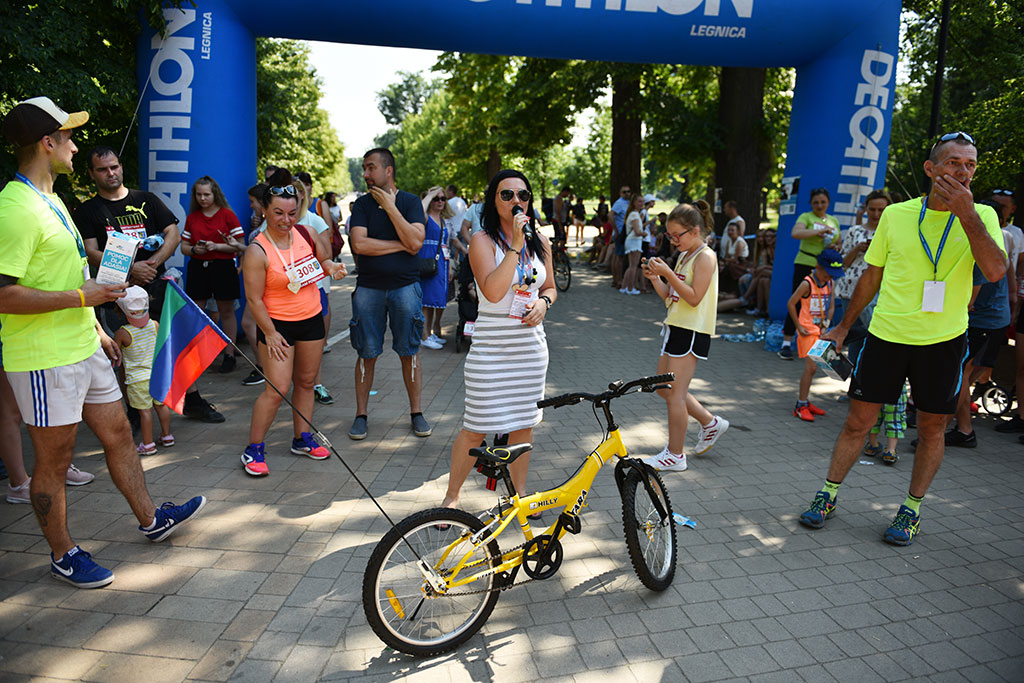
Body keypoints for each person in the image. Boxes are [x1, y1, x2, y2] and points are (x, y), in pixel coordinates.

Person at [0, 96, 205, 587]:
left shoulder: (52, 199)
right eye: (68, 138)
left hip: (83, 345)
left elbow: (68, 273)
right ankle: (63, 554)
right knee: (54, 463)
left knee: (119, 435)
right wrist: (81, 298)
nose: (75, 147)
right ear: (47, 144)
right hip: (45, 358)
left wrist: (94, 327)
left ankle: (152, 519)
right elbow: (4, 294)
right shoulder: (15, 208)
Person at [798, 131, 1006, 546]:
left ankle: (911, 509)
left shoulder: (982, 215)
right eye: (953, 162)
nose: (963, 171)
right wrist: (842, 326)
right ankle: (828, 494)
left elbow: (996, 270)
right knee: (858, 422)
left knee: (931, 428)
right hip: (886, 336)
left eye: (970, 165)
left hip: (944, 342)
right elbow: (872, 274)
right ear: (931, 168)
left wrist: (967, 216)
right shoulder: (896, 214)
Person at [74, 146, 223, 423]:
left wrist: (152, 264)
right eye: (103, 169)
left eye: (114, 166)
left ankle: (192, 399)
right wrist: (132, 269)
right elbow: (90, 251)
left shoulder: (147, 199)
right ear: (92, 174)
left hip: (158, 287)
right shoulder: (87, 210)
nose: (111, 173)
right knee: (127, 351)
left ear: (121, 167)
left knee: (176, 342)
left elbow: (173, 234)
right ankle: (134, 412)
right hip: (117, 293)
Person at [440, 169, 556, 510]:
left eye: (523, 195)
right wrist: (515, 247)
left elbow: (550, 287)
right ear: (494, 201)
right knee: (475, 427)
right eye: (507, 195)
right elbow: (492, 291)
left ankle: (519, 496)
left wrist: (544, 303)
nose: (516, 201)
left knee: (524, 426)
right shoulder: (482, 240)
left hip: (530, 350)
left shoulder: (541, 241)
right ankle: (452, 497)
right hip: (491, 351)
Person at [240, 181, 347, 476]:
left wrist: (332, 268)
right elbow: (254, 299)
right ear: (264, 211)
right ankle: (253, 448)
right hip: (277, 325)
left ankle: (302, 438)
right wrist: (270, 333)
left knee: (307, 382)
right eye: (278, 213)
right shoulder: (257, 250)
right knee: (277, 389)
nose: (286, 220)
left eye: (291, 213)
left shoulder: (306, 232)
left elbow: (323, 260)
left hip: (311, 318)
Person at [639, 200, 729, 473]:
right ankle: (710, 422)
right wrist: (656, 278)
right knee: (662, 387)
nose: (672, 240)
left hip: (691, 330)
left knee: (675, 394)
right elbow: (671, 297)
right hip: (676, 326)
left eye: (676, 235)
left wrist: (667, 272)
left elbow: (694, 297)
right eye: (670, 235)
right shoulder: (685, 255)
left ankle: (675, 454)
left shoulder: (705, 257)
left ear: (694, 231)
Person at [347, 148, 431, 440]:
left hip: (405, 288)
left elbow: (417, 242)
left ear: (388, 170)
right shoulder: (361, 205)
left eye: (371, 167)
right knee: (366, 352)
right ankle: (361, 415)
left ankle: (416, 413)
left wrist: (391, 208)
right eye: (364, 168)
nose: (366, 174)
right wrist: (402, 244)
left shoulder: (409, 202)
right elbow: (359, 245)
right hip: (368, 289)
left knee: (410, 352)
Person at [181, 175, 245, 374]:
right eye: (199, 194)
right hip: (198, 266)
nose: (202, 198)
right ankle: (200, 354)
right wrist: (195, 250)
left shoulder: (227, 215)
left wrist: (217, 246)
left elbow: (240, 246)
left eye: (206, 194)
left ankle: (229, 354)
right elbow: (184, 247)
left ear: (214, 194)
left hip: (223, 266)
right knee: (198, 311)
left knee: (226, 310)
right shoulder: (193, 217)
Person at [778, 188, 841, 360]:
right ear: (811, 203)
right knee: (798, 301)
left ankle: (816, 340)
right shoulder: (806, 217)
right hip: (806, 263)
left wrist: (835, 246)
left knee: (823, 303)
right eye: (816, 202)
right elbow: (795, 233)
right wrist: (817, 232)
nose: (819, 205)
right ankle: (786, 342)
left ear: (828, 203)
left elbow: (839, 242)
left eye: (823, 202)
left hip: (825, 268)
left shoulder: (833, 220)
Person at [113, 286, 172, 455]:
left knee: (145, 412)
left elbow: (115, 354)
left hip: (137, 380)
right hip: (157, 375)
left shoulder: (122, 333)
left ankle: (148, 444)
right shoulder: (155, 325)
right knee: (161, 406)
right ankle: (167, 436)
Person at [788, 249, 843, 422]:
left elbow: (831, 306)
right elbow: (791, 303)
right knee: (811, 368)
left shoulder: (830, 283)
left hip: (821, 330)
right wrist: (798, 326)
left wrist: (828, 322)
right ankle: (801, 405)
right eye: (827, 274)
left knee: (816, 369)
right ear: (818, 267)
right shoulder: (807, 283)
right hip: (807, 331)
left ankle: (806, 401)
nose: (829, 277)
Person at [419, 186, 453, 349]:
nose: (440, 202)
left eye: (442, 198)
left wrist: (450, 266)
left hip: (441, 262)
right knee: (426, 300)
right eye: (435, 199)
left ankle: (429, 332)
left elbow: (446, 245)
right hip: (428, 259)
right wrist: (429, 194)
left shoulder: (443, 220)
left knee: (433, 300)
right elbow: (419, 210)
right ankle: (424, 336)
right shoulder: (425, 217)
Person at [621, 193, 646, 295]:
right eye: (639, 201)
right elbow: (637, 231)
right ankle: (630, 288)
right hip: (634, 241)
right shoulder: (635, 215)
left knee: (631, 265)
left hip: (632, 241)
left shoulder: (634, 214)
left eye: (643, 201)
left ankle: (624, 286)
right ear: (634, 202)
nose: (641, 203)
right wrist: (644, 234)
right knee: (633, 266)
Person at [610, 185, 631, 289]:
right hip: (620, 234)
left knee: (617, 256)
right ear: (620, 193)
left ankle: (616, 280)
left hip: (623, 233)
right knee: (619, 258)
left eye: (628, 191)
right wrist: (616, 229)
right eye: (624, 192)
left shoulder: (627, 202)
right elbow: (610, 215)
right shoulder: (619, 203)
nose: (627, 194)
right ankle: (618, 280)